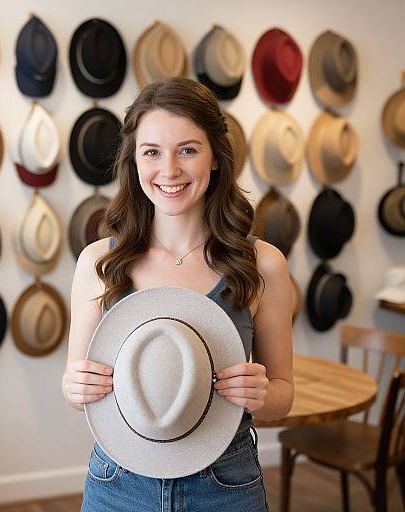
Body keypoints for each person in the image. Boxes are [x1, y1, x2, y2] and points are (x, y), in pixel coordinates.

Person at [62, 77, 293, 511]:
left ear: (216, 159)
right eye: (152, 152)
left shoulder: (263, 265)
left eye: (187, 149)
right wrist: (74, 387)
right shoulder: (98, 263)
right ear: (134, 160)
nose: (169, 171)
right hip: (118, 486)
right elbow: (76, 388)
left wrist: (263, 393)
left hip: (226, 485)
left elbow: (283, 395)